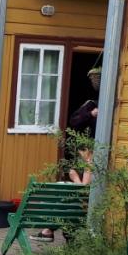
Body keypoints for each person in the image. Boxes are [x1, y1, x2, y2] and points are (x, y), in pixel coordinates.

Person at [31, 101, 97, 242]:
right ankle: (48, 231)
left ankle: (48, 231)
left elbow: (84, 191)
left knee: (65, 203)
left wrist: (75, 178)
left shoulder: (90, 165)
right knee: (64, 202)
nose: (79, 153)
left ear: (88, 151)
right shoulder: (85, 164)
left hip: (82, 208)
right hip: (78, 208)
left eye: (81, 151)